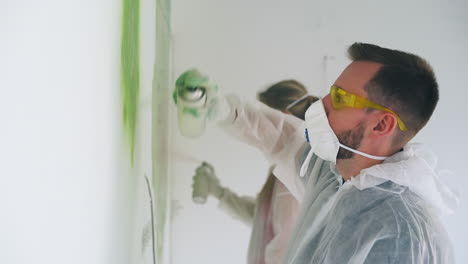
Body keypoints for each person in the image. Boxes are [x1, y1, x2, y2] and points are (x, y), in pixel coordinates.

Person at [173, 42, 459, 263]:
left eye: (340, 98)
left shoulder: (403, 233)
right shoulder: (338, 176)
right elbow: (280, 137)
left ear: (382, 124)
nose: (322, 105)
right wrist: (219, 106)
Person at [191, 80, 318, 264]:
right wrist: (219, 192)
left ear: (281, 117)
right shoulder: (283, 172)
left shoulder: (293, 179)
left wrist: (224, 110)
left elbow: (284, 248)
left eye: (266, 115)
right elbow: (263, 222)